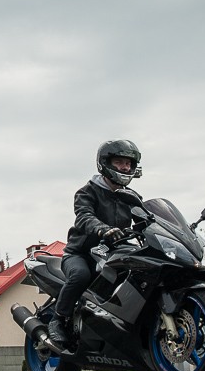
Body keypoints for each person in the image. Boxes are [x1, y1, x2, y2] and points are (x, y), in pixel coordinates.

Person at [48, 139, 143, 348]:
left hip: (113, 253)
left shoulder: (132, 197)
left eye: (128, 163)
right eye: (119, 162)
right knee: (81, 275)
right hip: (81, 253)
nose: (125, 167)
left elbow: (147, 219)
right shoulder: (87, 191)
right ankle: (58, 320)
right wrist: (102, 229)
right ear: (105, 163)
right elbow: (84, 216)